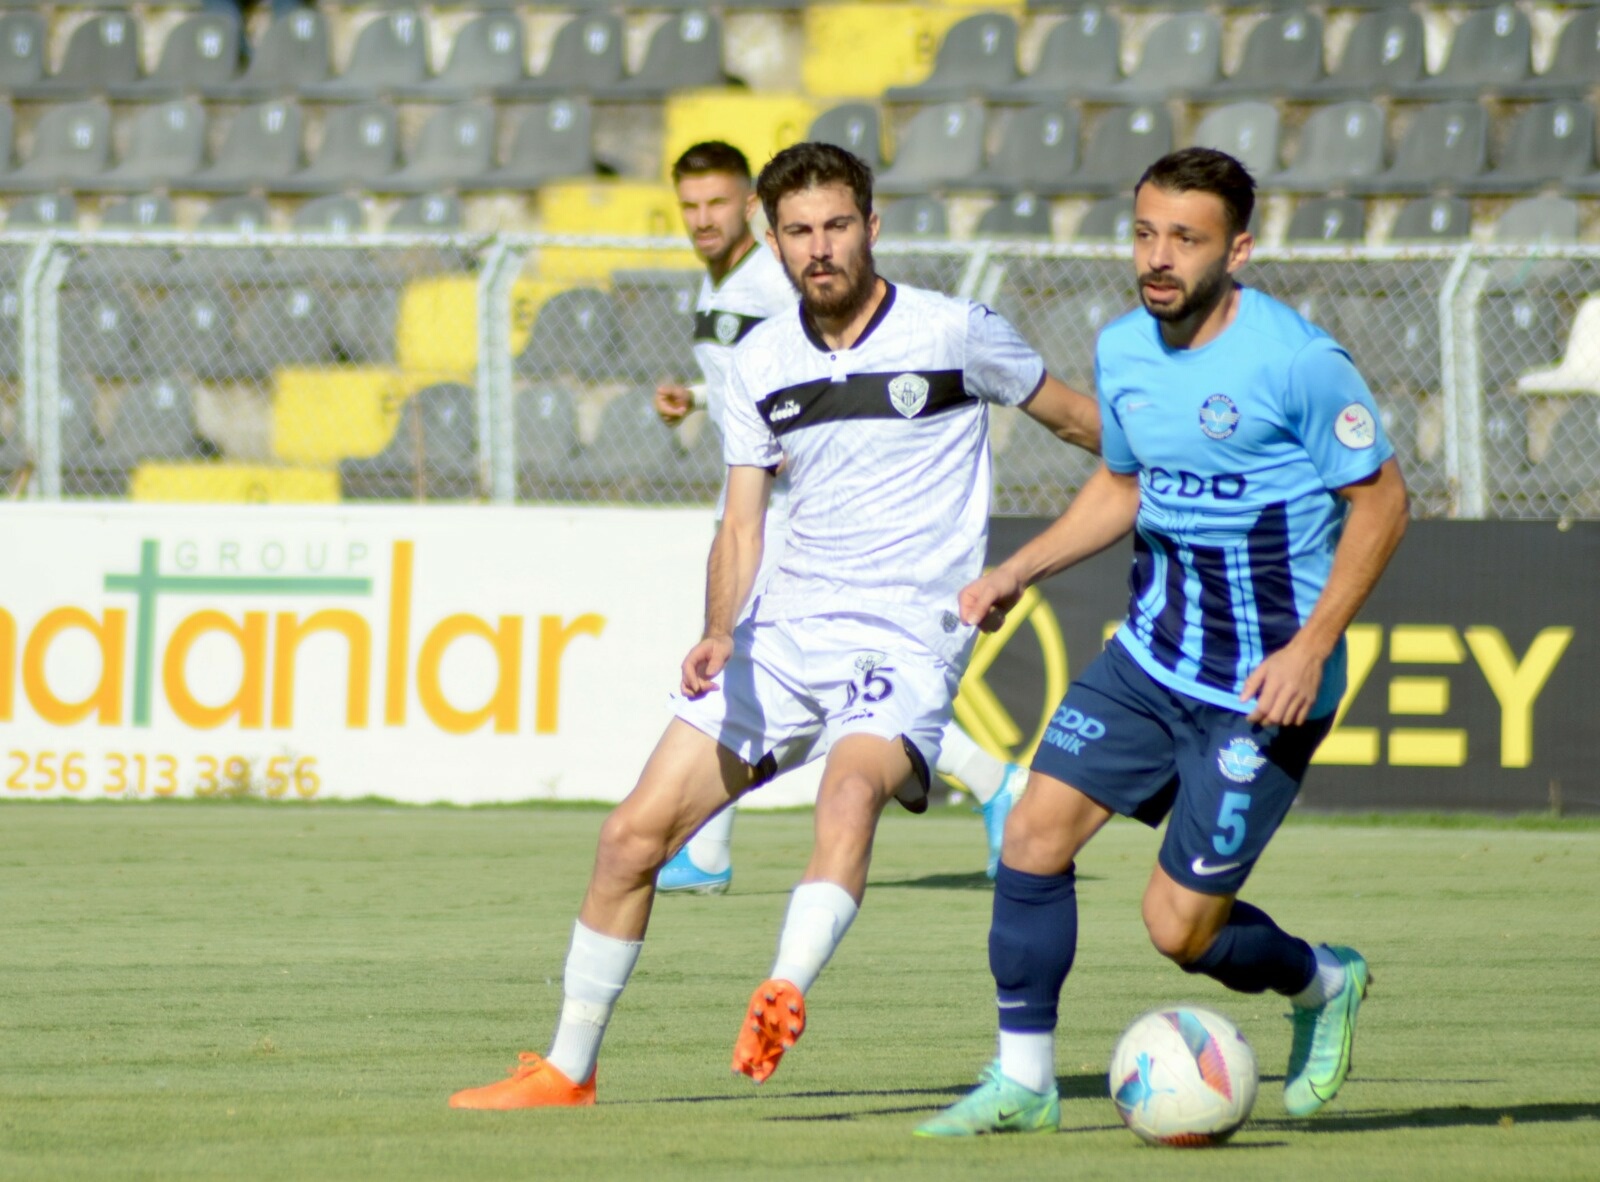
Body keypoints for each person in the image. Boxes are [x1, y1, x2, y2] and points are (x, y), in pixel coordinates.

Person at [448, 141, 1100, 1110]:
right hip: (783, 636)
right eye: (798, 232)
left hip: (905, 640)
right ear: (773, 238)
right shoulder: (759, 360)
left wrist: (1097, 527)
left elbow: (1091, 431)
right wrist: (719, 629)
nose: (819, 248)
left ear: (872, 226)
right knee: (628, 839)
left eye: (836, 226)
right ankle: (567, 1069)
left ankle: (783, 988)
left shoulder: (954, 331)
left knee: (847, 793)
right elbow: (742, 521)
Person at [917, 147, 1409, 1137]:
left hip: (1261, 689)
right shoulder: (1123, 349)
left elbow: (1384, 502)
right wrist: (1020, 569)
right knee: (1032, 834)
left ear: (1239, 249)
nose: (1158, 256)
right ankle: (1025, 1081)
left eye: (1185, 238)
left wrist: (1312, 647)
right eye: (1145, 233)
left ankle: (1323, 981)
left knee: (1177, 932)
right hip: (1148, 661)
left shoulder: (1297, 362)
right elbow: (1123, 485)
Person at [651, 141, 1029, 895]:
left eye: (717, 203)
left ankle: (710, 848)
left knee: (781, 669)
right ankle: (994, 782)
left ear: (750, 211)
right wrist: (695, 399)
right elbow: (763, 380)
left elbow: (828, 367)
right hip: (758, 490)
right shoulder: (720, 281)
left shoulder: (776, 279)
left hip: (800, 507)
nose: (702, 220)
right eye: (689, 207)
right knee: (772, 669)